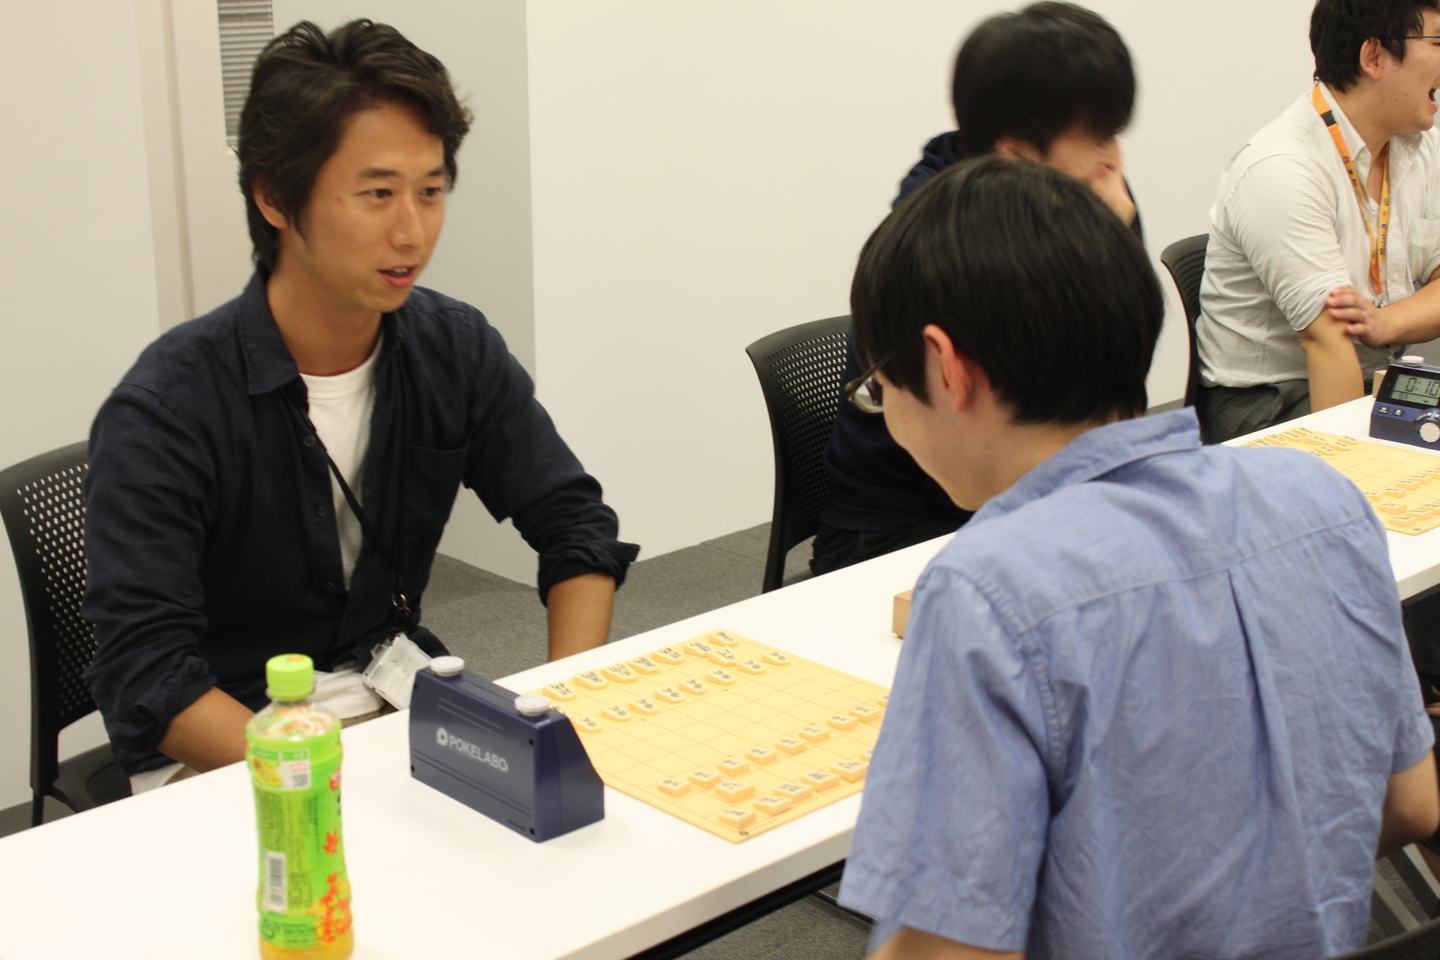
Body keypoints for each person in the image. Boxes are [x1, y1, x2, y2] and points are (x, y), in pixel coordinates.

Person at [835, 156, 1439, 960]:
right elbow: (1412, 803)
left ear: (947, 368)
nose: (886, 415)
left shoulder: (987, 592)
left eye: (881, 389)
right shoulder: (1325, 500)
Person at [82, 20, 638, 792]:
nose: (413, 231)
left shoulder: (454, 348)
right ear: (276, 200)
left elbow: (576, 527)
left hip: (391, 697)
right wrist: (336, 782)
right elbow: (150, 677)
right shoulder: (166, 409)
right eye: (378, 194)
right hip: (227, 741)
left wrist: (558, 712)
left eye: (430, 191)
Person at [813, 1, 1141, 576]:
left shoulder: (1084, 194)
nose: (1112, 158)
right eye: (1096, 139)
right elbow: (1044, 386)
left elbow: (1113, 371)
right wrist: (1109, 242)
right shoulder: (934, 234)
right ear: (1016, 153)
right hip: (909, 518)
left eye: (1113, 134)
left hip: (1031, 481)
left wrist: (1116, 239)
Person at [1195, 0, 1440, 443]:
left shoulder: (1419, 145)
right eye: (1438, 42)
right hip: (1276, 399)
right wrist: (1355, 469)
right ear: (1375, 57)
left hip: (1378, 376)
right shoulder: (1282, 168)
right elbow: (1327, 342)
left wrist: (1387, 323)